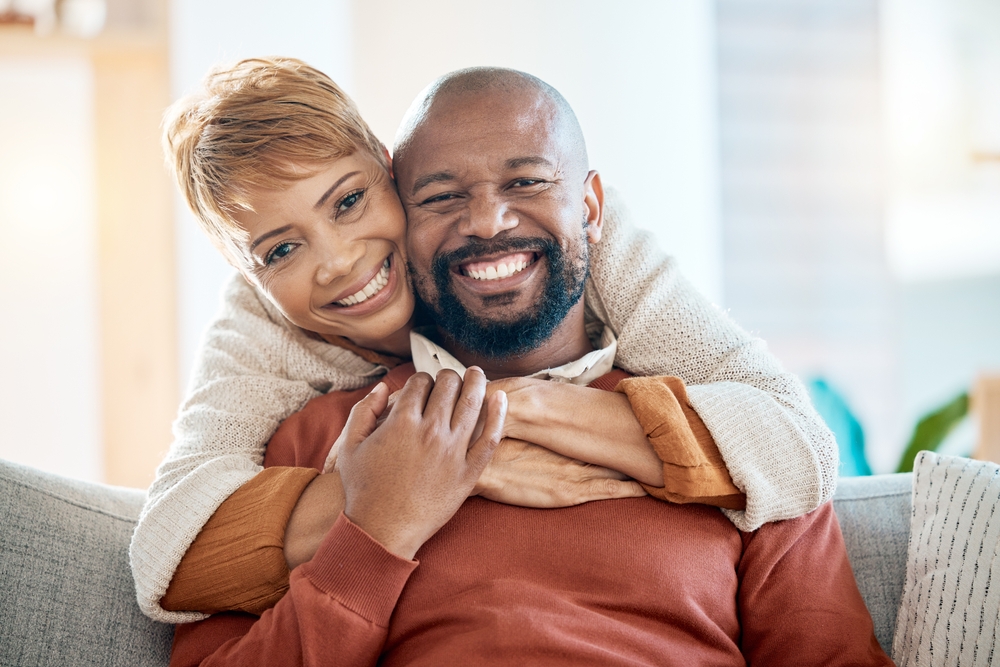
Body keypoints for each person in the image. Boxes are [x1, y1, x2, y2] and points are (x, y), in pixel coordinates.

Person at [167, 67, 892, 666]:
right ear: (407, 212)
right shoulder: (314, 440)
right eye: (443, 196)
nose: (487, 221)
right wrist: (371, 532)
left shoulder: (741, 445)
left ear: (591, 208)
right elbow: (169, 557)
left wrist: (506, 416)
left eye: (527, 183)